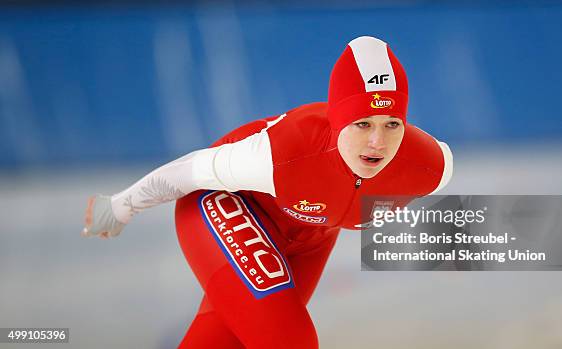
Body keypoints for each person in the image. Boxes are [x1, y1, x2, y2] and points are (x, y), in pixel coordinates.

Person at [82, 36, 453, 348]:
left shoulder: (430, 167)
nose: (377, 142)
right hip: (224, 202)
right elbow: (188, 171)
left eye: (392, 124)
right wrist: (120, 206)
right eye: (361, 123)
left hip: (311, 235)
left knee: (224, 340)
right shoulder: (282, 153)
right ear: (337, 119)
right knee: (290, 341)